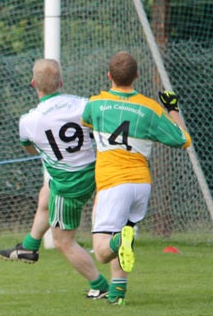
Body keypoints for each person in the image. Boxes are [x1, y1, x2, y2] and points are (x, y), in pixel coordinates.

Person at [81, 51, 191, 305]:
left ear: (108, 75)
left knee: (101, 250)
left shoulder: (96, 103)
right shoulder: (150, 108)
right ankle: (117, 293)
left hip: (112, 183)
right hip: (141, 184)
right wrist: (172, 109)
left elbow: (86, 120)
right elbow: (184, 140)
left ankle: (120, 239)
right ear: (137, 76)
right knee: (124, 235)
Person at [0, 58, 109, 299]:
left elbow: (29, 149)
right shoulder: (83, 104)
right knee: (45, 195)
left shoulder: (28, 121)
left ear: (33, 83)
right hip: (92, 171)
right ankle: (29, 246)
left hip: (69, 184)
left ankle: (100, 286)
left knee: (63, 242)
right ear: (61, 82)